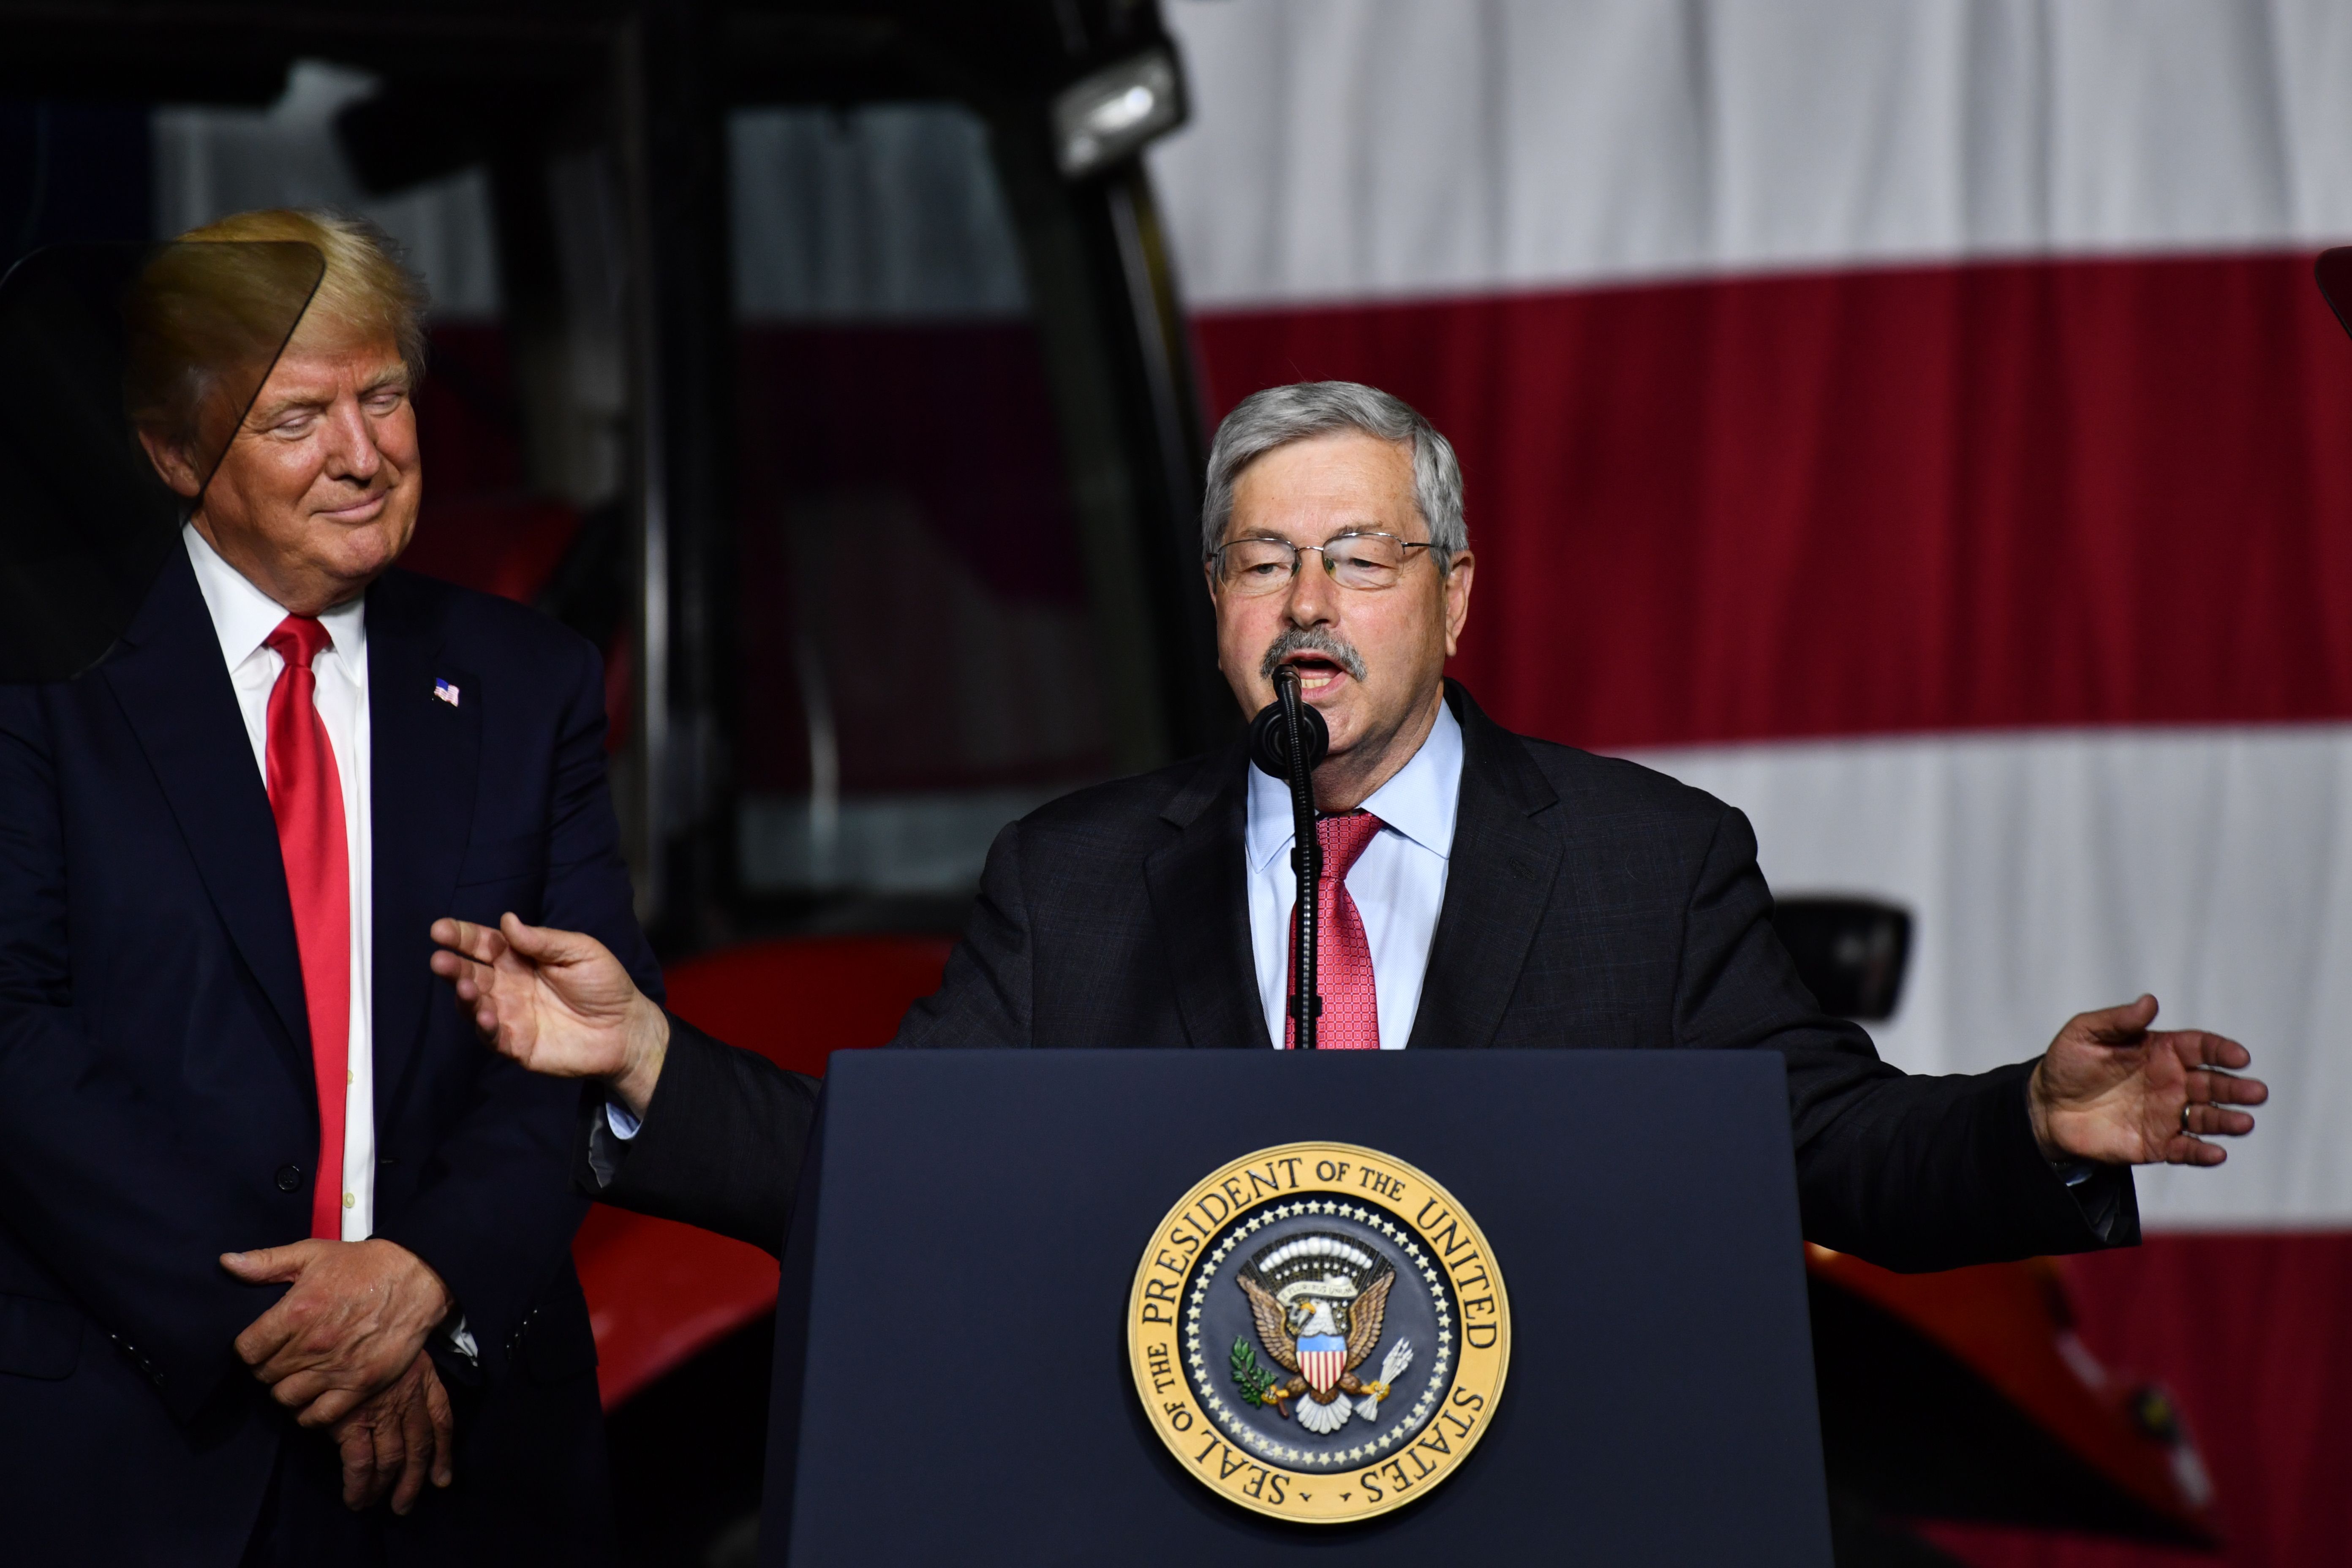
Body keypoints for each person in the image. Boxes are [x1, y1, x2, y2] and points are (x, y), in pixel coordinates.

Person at [431, 380, 2266, 1274]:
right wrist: (653, 1058)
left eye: (1359, 556)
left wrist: (2026, 1118)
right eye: (1261, 558)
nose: (1309, 599)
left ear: (1455, 598)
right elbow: (911, 1183)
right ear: (1216, 606)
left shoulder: (1648, 861)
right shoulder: (1072, 882)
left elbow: (1821, 1152)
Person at [0, 210, 653, 1565]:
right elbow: (14, 1038)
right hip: (137, 1450)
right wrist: (315, 1338)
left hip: (473, 1444)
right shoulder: (42, 684)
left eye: (386, 398)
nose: (362, 456)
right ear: (175, 452)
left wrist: (423, 1283)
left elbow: (575, 1042)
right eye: (298, 419)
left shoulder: (528, 685)